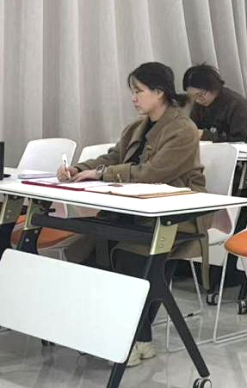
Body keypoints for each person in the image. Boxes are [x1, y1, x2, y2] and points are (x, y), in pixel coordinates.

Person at [60, 62, 205, 367]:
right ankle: (125, 335)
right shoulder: (137, 127)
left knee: (128, 257)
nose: (133, 98)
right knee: (89, 250)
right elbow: (113, 157)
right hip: (132, 211)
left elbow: (153, 173)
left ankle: (134, 338)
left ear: (159, 92)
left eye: (139, 91)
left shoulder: (183, 129)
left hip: (171, 216)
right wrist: (79, 169)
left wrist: (102, 173)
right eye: (133, 91)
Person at [182, 64, 247, 142]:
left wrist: (206, 135)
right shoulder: (199, 104)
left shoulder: (237, 105)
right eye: (192, 96)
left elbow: (241, 140)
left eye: (200, 95)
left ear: (213, 87)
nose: (197, 100)